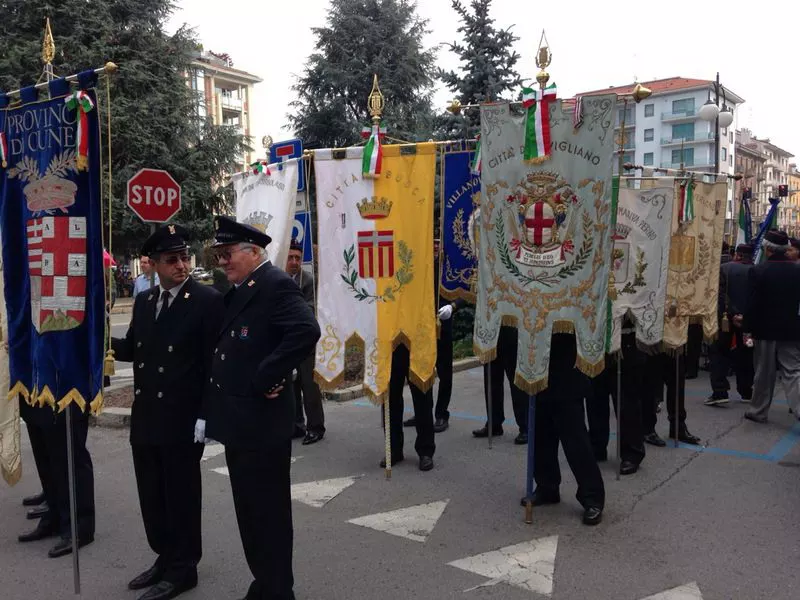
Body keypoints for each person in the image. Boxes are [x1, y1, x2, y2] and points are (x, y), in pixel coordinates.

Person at [203, 216, 320, 600]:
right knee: (249, 513)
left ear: (254, 253)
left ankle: (278, 590)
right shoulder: (240, 288)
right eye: (219, 254)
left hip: (263, 423)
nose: (222, 261)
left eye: (228, 253)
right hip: (241, 422)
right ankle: (264, 582)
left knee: (268, 514)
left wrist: (266, 373)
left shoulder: (275, 284)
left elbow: (305, 330)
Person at [112, 225, 223, 600]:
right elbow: (132, 348)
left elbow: (213, 364)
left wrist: (207, 416)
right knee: (152, 493)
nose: (181, 264)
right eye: (172, 259)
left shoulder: (206, 300)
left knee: (180, 494)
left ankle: (183, 567)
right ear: (153, 265)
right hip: (146, 416)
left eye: (184, 257)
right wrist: (95, 336)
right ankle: (164, 555)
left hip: (181, 418)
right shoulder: (145, 301)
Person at [522, 333, 605, 525]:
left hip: (566, 364)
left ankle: (592, 496)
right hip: (536, 360)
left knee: (575, 438)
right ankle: (547, 486)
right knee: (540, 434)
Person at [404, 239, 467, 433]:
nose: (435, 247)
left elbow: (466, 291)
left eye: (439, 243)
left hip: (442, 325)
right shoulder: (419, 265)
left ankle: (441, 414)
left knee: (445, 373)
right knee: (422, 372)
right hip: (421, 328)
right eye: (432, 242)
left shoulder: (450, 267)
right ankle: (423, 413)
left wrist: (453, 306)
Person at [741, 230, 800, 423]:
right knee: (793, 372)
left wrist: (747, 329)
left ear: (767, 249)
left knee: (764, 372)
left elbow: (752, 304)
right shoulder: (797, 270)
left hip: (765, 330)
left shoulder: (758, 271)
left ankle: (758, 411)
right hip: (792, 329)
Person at [585, 320, 647, 475]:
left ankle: (632, 452)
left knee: (627, 400)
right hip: (597, 335)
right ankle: (597, 445)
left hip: (626, 336)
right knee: (595, 397)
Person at [285, 240, 325, 445]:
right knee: (292, 387)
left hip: (306, 344)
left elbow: (310, 308)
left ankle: (316, 427)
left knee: (310, 388)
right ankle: (297, 424)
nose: (294, 262)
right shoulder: (279, 278)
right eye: (290, 258)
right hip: (287, 344)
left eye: (297, 258)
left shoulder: (308, 280)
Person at [707, 243, 755, 405]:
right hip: (748, 324)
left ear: (738, 255)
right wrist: (744, 316)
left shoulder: (724, 269)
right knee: (747, 353)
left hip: (725, 321)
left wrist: (732, 314)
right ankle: (747, 391)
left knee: (719, 352)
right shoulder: (756, 271)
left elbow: (719, 295)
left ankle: (720, 391)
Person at [384, 344, 436, 471]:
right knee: (390, 397)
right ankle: (393, 449)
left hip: (417, 339)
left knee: (422, 396)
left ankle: (426, 450)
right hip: (391, 338)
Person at [473, 325, 528, 444]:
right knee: (491, 380)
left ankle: (525, 426)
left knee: (516, 382)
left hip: (511, 327)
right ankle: (494, 423)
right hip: (491, 330)